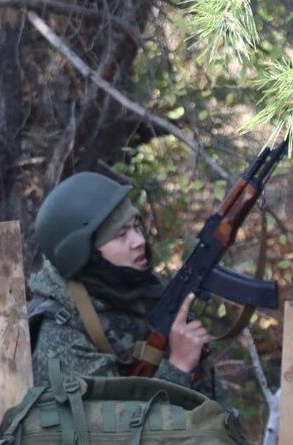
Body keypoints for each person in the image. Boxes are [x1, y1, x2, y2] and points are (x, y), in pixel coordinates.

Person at [28, 171, 221, 400]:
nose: (139, 241)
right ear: (84, 254)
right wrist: (178, 367)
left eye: (135, 226)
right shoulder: (62, 339)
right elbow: (114, 432)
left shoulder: (136, 292)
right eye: (121, 235)